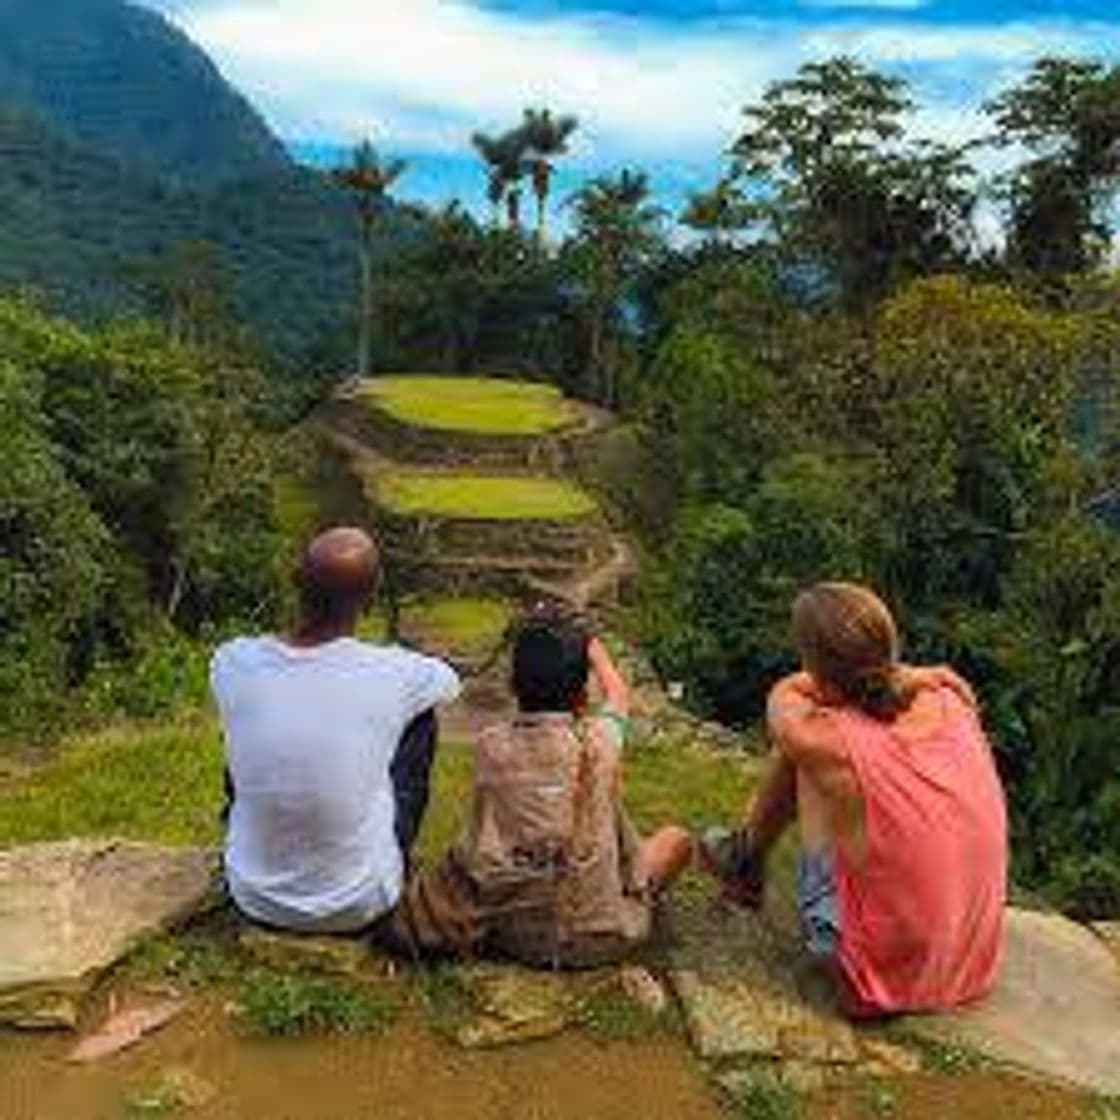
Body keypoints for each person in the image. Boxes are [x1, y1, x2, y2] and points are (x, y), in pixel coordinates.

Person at [701, 582, 1007, 1017]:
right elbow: (882, 694)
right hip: (968, 965)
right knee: (832, 762)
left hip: (872, 982)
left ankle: (746, 861)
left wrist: (843, 679)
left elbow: (786, 696)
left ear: (814, 666)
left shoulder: (826, 741)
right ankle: (744, 858)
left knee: (803, 759)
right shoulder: (952, 697)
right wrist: (907, 674)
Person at [384, 605, 693, 967]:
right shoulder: (599, 743)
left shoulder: (490, 746)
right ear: (581, 695)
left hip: (511, 933)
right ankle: (626, 897)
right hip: (599, 936)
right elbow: (618, 695)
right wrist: (592, 646)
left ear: (514, 687)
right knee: (676, 840)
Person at [211, 526, 461, 934]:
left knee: (249, 717)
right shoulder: (396, 672)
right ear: (371, 596)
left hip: (254, 894)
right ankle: (388, 852)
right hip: (360, 901)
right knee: (420, 716)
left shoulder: (232, 661)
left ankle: (267, 837)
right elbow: (449, 682)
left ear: (297, 583)